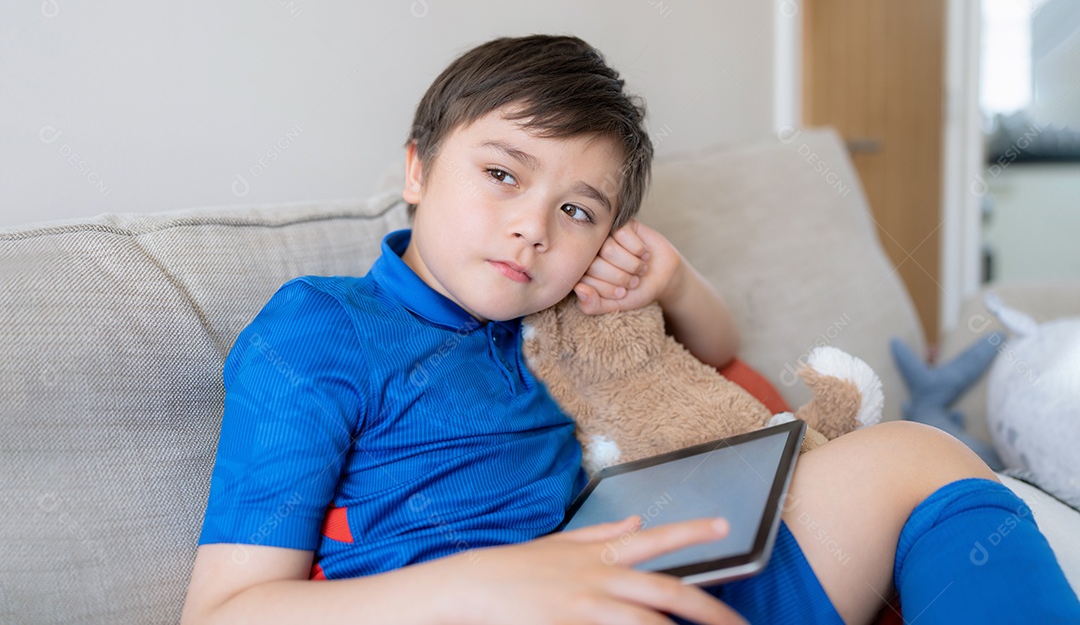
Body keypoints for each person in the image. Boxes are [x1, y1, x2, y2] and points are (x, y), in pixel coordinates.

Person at [182, 35, 1079, 624]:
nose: (533, 226)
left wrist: (673, 280)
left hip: (657, 580)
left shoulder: (559, 313)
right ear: (416, 169)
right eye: (502, 174)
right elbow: (226, 610)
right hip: (479, 604)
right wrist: (500, 585)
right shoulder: (321, 325)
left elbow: (717, 347)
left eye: (576, 208)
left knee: (915, 454)